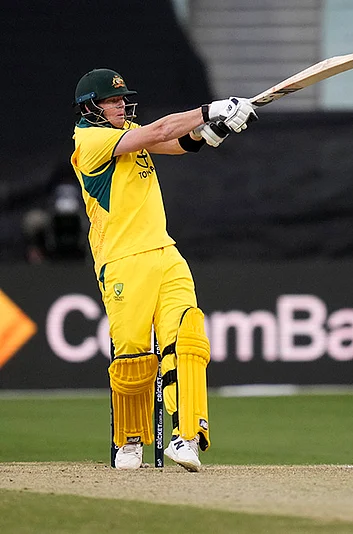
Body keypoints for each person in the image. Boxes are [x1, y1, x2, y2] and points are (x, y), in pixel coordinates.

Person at [70, 68, 257, 471]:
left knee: (188, 337)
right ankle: (130, 442)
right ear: (91, 107)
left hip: (164, 252)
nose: (122, 105)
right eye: (113, 101)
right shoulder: (90, 140)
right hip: (122, 260)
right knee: (134, 353)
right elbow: (159, 131)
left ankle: (186, 437)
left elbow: (175, 142)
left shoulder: (127, 134)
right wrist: (210, 109)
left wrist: (212, 132)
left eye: (123, 100)